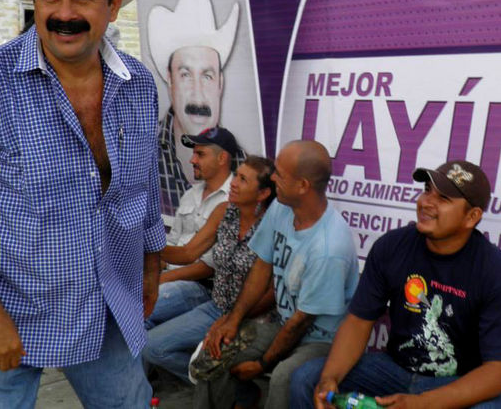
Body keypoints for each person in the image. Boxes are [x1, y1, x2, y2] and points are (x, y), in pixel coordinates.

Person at [0, 0, 165, 407]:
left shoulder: (137, 84)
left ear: (113, 4)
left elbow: (144, 185)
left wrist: (151, 265)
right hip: (6, 309)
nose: (63, 14)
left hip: (104, 303)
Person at [291, 161, 501, 409]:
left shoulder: (497, 272)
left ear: (472, 217)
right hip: (393, 370)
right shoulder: (392, 246)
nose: (426, 202)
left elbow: (499, 372)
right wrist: (330, 378)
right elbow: (358, 322)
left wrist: (422, 403)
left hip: (457, 382)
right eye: (427, 190)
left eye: (443, 198)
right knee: (307, 379)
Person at [192, 140, 360, 409]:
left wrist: (261, 364)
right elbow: (262, 267)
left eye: (279, 174)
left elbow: (301, 322)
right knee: (216, 350)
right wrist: (232, 320)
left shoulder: (329, 247)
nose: (272, 178)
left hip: (323, 340)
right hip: (283, 323)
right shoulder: (282, 208)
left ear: (302, 185)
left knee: (283, 377)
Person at [143, 155, 277, 383]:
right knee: (152, 346)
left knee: (207, 358)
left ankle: (221, 385)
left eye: (243, 180)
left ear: (263, 193)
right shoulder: (224, 211)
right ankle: (223, 385)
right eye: (236, 176)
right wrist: (147, 245)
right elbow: (188, 253)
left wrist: (233, 319)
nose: (234, 183)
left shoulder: (272, 225)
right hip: (217, 307)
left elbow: (272, 291)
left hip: (255, 316)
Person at [148, 0, 240, 216]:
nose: (198, 95)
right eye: (185, 75)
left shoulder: (241, 162)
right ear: (170, 81)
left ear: (220, 83)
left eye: (207, 76)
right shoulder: (143, 151)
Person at [144, 127, 240, 335]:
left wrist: (158, 280)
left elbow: (207, 268)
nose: (192, 160)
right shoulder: (191, 194)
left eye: (200, 154)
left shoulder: (233, 200)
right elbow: (173, 244)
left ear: (222, 158)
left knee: (137, 310)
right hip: (170, 276)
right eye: (193, 153)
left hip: (200, 286)